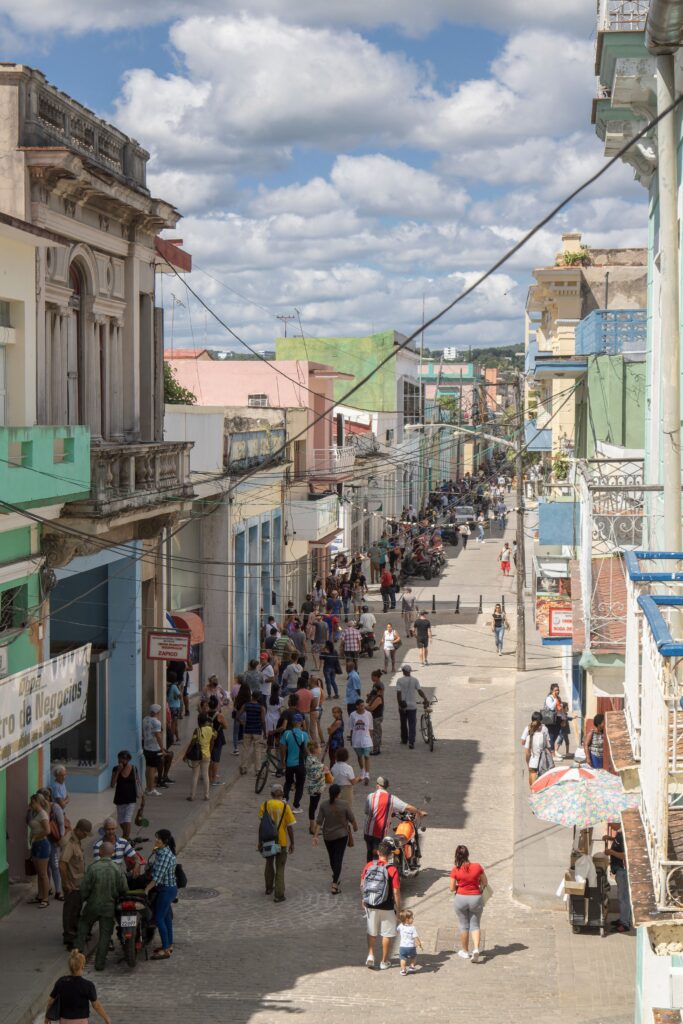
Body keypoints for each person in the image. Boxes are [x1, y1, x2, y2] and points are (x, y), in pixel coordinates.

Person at [75, 842, 127, 971]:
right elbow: (124, 888)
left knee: (83, 926)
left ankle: (77, 956)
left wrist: (83, 900)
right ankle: (99, 964)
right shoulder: (117, 868)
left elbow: (84, 889)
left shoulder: (93, 868)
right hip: (108, 907)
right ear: (113, 853)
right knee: (105, 935)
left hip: (93, 905)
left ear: (100, 852)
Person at [361, 838, 401, 970]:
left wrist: (365, 899)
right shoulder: (392, 869)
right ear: (390, 855)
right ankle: (384, 961)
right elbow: (396, 892)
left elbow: (362, 885)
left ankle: (370, 955)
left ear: (378, 852)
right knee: (386, 934)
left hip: (371, 904)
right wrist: (398, 909)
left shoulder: (368, 865)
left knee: (371, 932)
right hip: (387, 905)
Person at [363, 777, 425, 862]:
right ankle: (379, 872)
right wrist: (419, 812)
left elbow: (366, 811)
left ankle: (369, 871)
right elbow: (407, 807)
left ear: (377, 786)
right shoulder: (391, 798)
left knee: (370, 853)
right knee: (380, 855)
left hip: (367, 831)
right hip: (379, 833)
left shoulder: (370, 796)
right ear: (387, 786)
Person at [44, 950, 111, 1024]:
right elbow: (96, 1005)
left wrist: (46, 1019)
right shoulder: (88, 985)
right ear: (82, 966)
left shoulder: (61, 982)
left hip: (64, 1021)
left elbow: (50, 1001)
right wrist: (106, 1018)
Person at [313, 783, 357, 894]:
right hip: (341, 836)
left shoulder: (323, 805)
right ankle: (334, 883)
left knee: (332, 858)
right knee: (338, 858)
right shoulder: (344, 804)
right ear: (338, 794)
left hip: (328, 836)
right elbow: (352, 819)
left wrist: (315, 836)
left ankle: (335, 877)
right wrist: (355, 827)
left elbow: (319, 822)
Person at [449, 844, 488, 962]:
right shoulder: (477, 867)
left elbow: (451, 888)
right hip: (475, 897)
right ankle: (476, 949)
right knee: (475, 925)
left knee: (463, 926)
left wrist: (459, 885)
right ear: (468, 855)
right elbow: (485, 882)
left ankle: (465, 951)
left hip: (460, 898)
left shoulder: (455, 869)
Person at [259, 783, 295, 902]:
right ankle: (279, 894)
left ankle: (269, 888)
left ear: (271, 794)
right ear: (282, 794)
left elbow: (262, 826)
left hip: (268, 840)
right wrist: (292, 843)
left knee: (269, 864)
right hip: (281, 841)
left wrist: (260, 842)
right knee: (280, 867)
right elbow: (290, 827)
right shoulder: (286, 807)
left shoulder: (265, 805)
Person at [60, 819, 92, 950]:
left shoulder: (77, 841)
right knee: (70, 911)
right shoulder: (70, 843)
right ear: (78, 830)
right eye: (84, 833)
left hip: (78, 884)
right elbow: (62, 864)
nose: (85, 836)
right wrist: (66, 883)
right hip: (72, 885)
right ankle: (70, 937)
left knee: (76, 910)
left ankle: (74, 932)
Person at [144, 829, 177, 960]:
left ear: (165, 841)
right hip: (167, 889)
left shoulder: (165, 856)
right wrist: (155, 850)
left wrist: (146, 889)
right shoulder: (162, 851)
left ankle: (165, 950)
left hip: (166, 890)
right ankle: (169, 945)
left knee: (159, 918)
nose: (156, 840)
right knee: (167, 918)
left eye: (158, 838)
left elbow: (157, 877)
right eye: (156, 837)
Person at [280, 713, 310, 812]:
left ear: (292, 722)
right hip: (300, 764)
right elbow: (306, 750)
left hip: (289, 763)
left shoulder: (286, 733)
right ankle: (296, 806)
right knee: (300, 785)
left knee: (288, 782)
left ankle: (285, 798)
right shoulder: (304, 735)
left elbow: (283, 748)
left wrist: (283, 761)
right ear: (301, 723)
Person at [604, 826, 631, 933]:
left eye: (612, 823)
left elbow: (626, 856)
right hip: (619, 870)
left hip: (623, 870)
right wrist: (610, 838)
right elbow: (618, 844)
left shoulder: (625, 833)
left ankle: (625, 924)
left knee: (624, 898)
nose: (611, 825)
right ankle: (622, 919)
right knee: (621, 896)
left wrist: (611, 852)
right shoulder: (620, 832)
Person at [27, 793, 51, 908]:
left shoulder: (42, 814)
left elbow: (47, 830)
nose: (30, 803)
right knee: (39, 873)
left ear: (37, 802)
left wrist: (36, 837)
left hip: (42, 844)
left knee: (43, 874)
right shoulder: (35, 813)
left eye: (32, 802)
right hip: (36, 845)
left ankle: (45, 899)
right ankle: (40, 895)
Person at [396, 665, 428, 749]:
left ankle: (404, 739)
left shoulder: (399, 680)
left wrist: (400, 704)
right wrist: (425, 698)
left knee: (403, 723)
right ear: (410, 671)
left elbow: (398, 693)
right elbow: (419, 691)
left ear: (403, 671)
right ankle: (411, 742)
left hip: (403, 705)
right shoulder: (415, 680)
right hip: (412, 706)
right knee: (412, 724)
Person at [111, 750, 140, 839]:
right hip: (120, 797)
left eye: (123, 760)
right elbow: (112, 784)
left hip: (131, 797)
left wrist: (142, 797)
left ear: (128, 760)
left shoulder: (134, 769)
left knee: (127, 818)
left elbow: (138, 783)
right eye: (119, 759)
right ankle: (126, 836)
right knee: (121, 820)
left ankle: (126, 837)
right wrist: (118, 772)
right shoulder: (115, 769)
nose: (121, 761)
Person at [185, 712, 214, 800]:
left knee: (195, 775)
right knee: (205, 775)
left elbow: (192, 743)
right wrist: (210, 751)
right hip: (207, 755)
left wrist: (186, 754)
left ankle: (192, 796)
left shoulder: (197, 730)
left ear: (198, 721)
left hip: (197, 755)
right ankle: (206, 795)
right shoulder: (210, 729)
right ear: (206, 721)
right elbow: (212, 741)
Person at [239, 689, 266, 777]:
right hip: (257, 731)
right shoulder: (261, 707)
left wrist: (241, 722)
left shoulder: (246, 705)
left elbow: (237, 715)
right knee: (257, 751)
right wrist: (265, 733)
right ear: (258, 697)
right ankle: (258, 770)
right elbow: (263, 721)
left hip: (247, 730)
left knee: (245, 749)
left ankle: (243, 768)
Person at [142, 703, 165, 796]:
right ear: (157, 712)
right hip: (154, 748)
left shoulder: (145, 719)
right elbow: (158, 736)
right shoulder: (156, 722)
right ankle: (151, 789)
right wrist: (162, 748)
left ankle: (148, 788)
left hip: (146, 747)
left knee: (148, 768)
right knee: (153, 769)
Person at [349, 698, 374, 786]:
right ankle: (362, 771)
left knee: (367, 756)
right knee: (359, 756)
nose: (363, 707)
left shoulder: (368, 714)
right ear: (357, 706)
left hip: (366, 739)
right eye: (361, 706)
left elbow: (370, 727)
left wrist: (370, 738)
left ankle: (367, 774)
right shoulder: (352, 715)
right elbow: (352, 728)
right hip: (357, 739)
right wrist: (352, 739)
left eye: (364, 705)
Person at [305, 741, 326, 835]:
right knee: (313, 807)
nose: (320, 749)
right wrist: (324, 771)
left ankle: (312, 826)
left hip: (315, 786)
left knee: (313, 806)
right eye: (319, 747)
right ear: (315, 749)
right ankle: (312, 827)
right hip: (315, 787)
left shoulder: (311, 759)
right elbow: (315, 775)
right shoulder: (312, 760)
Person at [524, 712, 551, 787]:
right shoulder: (543, 736)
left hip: (533, 761)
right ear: (540, 727)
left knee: (532, 777)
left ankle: (533, 792)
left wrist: (527, 762)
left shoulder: (529, 737)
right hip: (543, 761)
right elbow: (548, 748)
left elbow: (527, 753)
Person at [207, 696, 228, 785]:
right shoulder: (219, 715)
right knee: (216, 759)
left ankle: (208, 776)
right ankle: (214, 779)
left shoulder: (205, 714)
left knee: (210, 758)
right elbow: (226, 726)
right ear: (217, 705)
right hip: (217, 738)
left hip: (207, 737)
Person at [397, 909, 423, 975]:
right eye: (411, 918)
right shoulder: (412, 928)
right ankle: (412, 967)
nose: (413, 919)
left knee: (402, 958)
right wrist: (419, 943)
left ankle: (403, 970)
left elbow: (397, 931)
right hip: (411, 946)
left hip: (402, 946)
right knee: (413, 957)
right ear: (407, 919)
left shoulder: (400, 926)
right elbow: (416, 937)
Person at [366, 672, 385, 756]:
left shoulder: (378, 698)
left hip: (376, 716)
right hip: (377, 715)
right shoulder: (377, 696)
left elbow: (371, 708)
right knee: (377, 732)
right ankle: (377, 748)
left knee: (376, 733)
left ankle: (376, 749)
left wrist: (364, 707)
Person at [166, 673, 183, 743]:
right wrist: (181, 690)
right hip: (175, 707)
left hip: (170, 706)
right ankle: (171, 739)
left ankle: (177, 737)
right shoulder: (174, 687)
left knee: (175, 723)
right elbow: (180, 696)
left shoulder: (168, 686)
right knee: (173, 723)